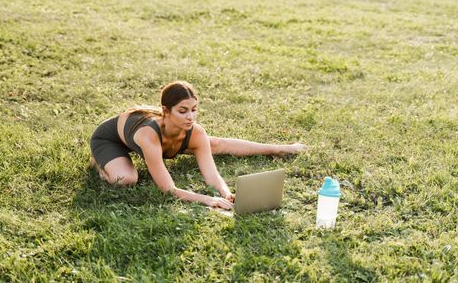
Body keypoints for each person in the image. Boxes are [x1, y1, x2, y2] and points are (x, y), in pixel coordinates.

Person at [89, 81, 306, 210]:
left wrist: (225, 193)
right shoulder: (149, 135)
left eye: (194, 109)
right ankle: (100, 165)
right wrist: (208, 200)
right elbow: (168, 189)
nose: (190, 116)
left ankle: (279, 148)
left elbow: (211, 175)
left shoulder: (195, 130)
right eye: (182, 111)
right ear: (166, 110)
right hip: (109, 140)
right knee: (127, 179)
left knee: (214, 143)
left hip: (168, 137)